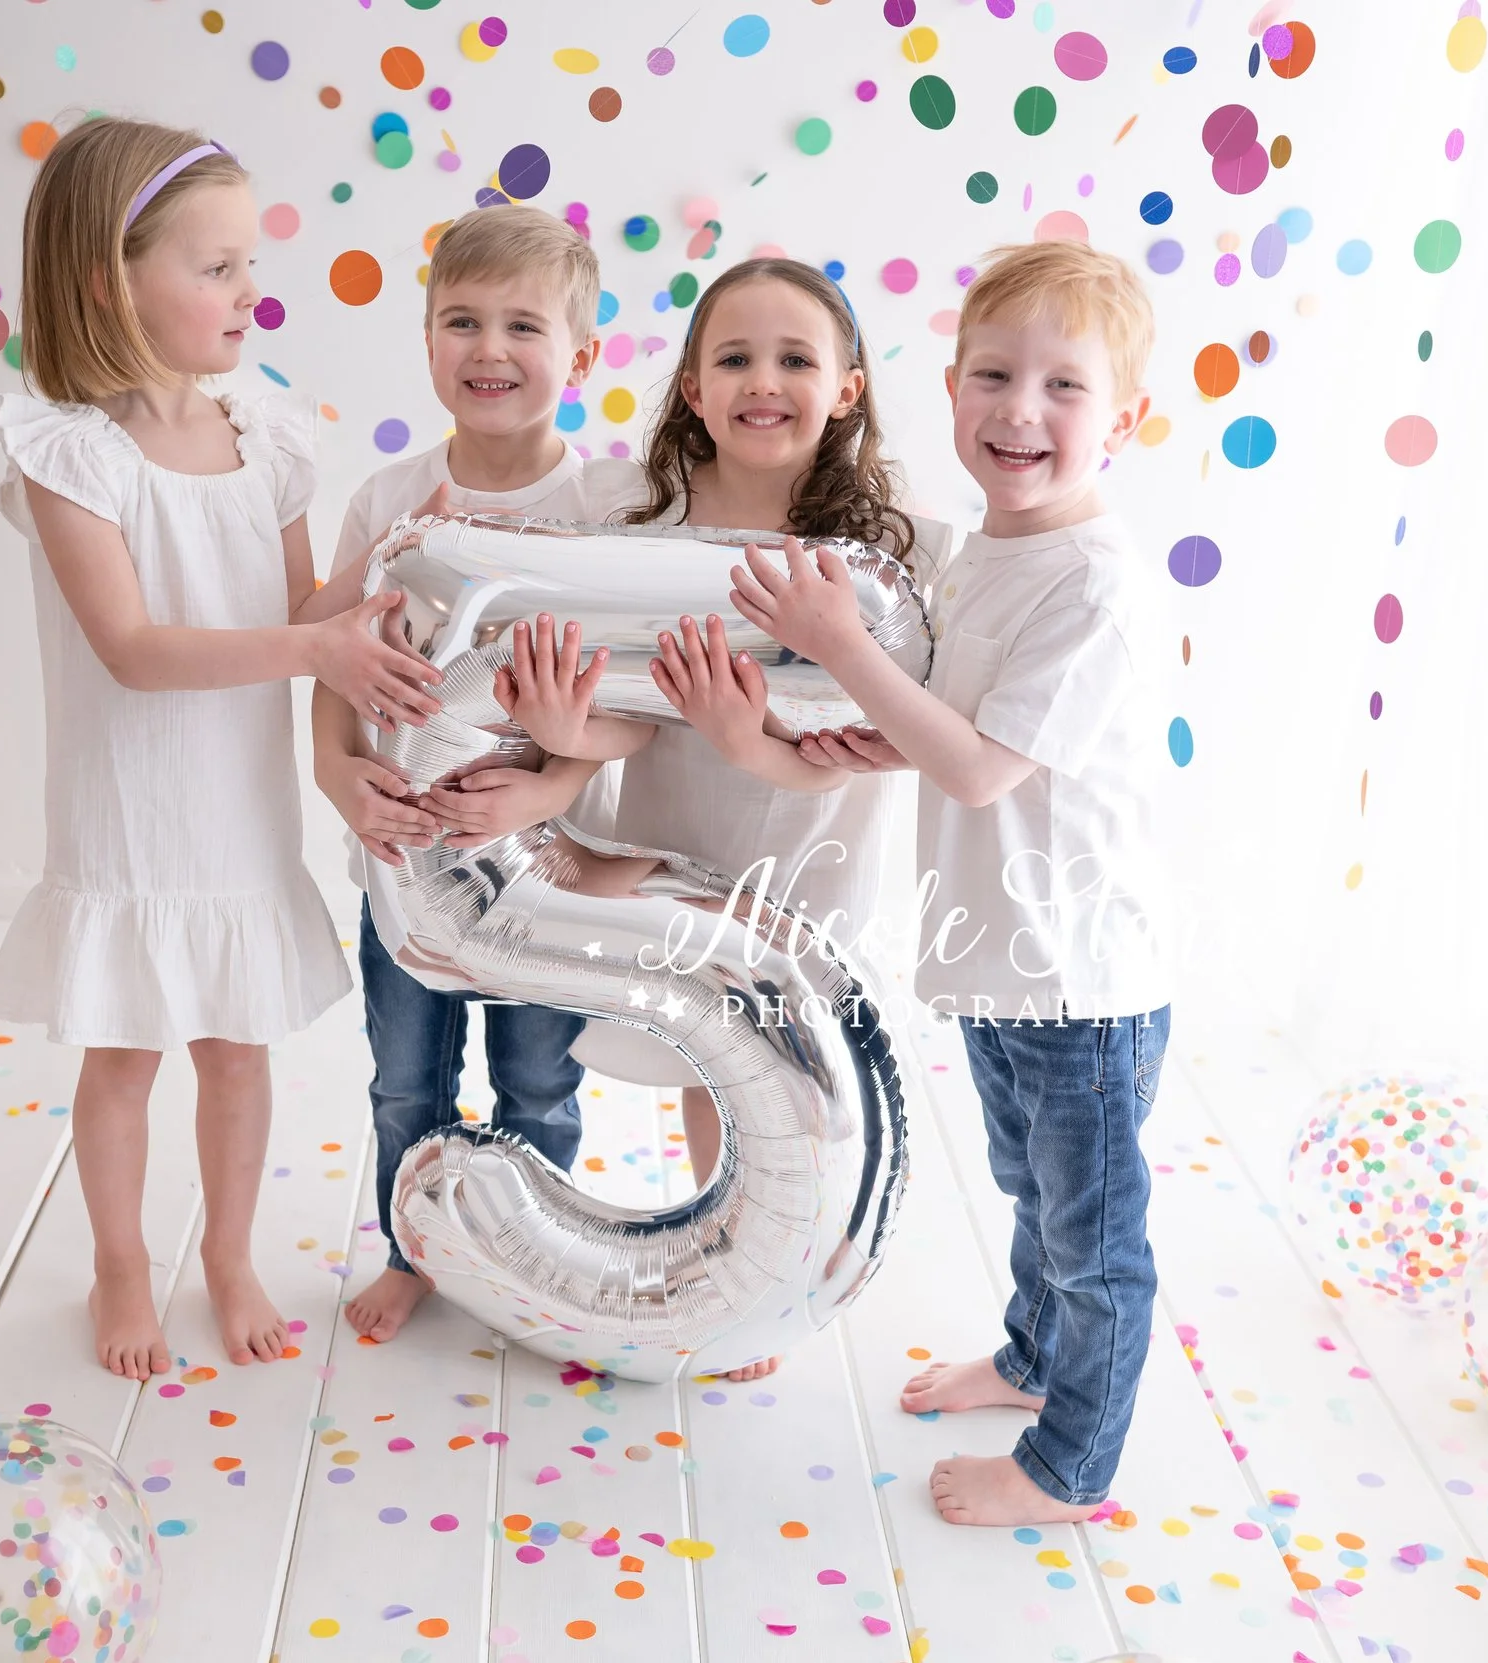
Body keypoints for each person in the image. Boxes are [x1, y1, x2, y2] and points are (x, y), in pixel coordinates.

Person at [0, 118, 441, 1379]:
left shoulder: (266, 431)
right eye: (218, 267)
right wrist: (317, 646)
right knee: (125, 1052)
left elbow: (296, 611)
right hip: (131, 810)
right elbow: (133, 648)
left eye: (251, 264)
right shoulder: (69, 452)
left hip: (237, 806)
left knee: (238, 1050)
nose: (251, 292)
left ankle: (228, 1253)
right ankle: (120, 1262)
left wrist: (392, 556)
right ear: (108, 284)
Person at [727, 240, 1175, 1523]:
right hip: (1001, 955)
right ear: (951, 387)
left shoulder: (1092, 583)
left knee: (1093, 1243)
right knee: (1032, 1189)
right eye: (993, 375)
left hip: (1079, 975)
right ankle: (1034, 1362)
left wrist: (837, 647)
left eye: (1063, 386)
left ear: (1123, 420)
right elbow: (964, 726)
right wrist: (875, 734)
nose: (1020, 410)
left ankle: (1070, 1468)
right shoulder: (991, 551)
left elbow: (977, 770)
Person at [507, 256, 952, 1382]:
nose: (764, 381)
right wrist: (566, 727)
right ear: (694, 390)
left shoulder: (884, 553)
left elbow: (874, 743)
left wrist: (749, 735)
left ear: (846, 389)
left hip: (815, 853)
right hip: (686, 842)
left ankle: (794, 1266)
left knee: (802, 1073)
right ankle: (732, 1260)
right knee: (717, 1061)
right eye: (735, 359)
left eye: (796, 359)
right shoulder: (645, 524)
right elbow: (624, 708)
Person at [307, 204, 640, 1343]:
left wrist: (548, 788)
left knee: (537, 1080)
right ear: (426, 340)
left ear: (581, 357)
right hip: (404, 860)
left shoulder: (606, 510)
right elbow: (332, 662)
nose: (488, 348)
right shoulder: (389, 500)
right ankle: (414, 1252)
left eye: (522, 326)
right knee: (406, 1078)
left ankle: (533, 1264)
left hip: (545, 871)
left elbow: (636, 706)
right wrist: (334, 772)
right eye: (461, 321)